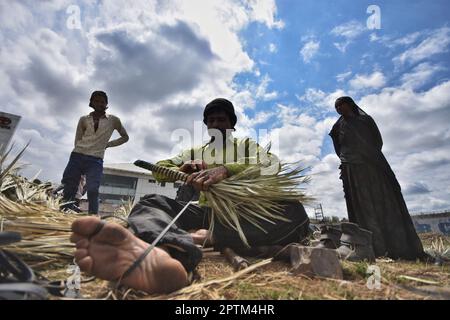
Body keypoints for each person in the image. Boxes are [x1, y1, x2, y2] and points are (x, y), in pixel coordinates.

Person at [70, 98, 310, 294]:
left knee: (295, 212)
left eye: (222, 120)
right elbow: (161, 167)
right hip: (203, 211)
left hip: (241, 213)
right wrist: (180, 170)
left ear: (232, 124)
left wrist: (225, 170)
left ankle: (205, 238)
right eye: (211, 120)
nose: (216, 124)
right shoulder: (195, 151)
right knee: (151, 202)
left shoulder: (246, 146)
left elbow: (270, 164)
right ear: (206, 125)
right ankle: (162, 250)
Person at [329, 96, 425, 260]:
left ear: (350, 104)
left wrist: (366, 153)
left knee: (384, 201)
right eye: (336, 107)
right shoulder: (338, 127)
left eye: (341, 105)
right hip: (352, 169)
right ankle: (372, 247)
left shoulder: (365, 120)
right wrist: (350, 159)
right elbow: (339, 148)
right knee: (362, 205)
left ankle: (397, 247)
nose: (339, 109)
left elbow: (377, 142)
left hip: (373, 165)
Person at [61, 91, 129, 215]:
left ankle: (92, 217)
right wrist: (78, 151)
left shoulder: (113, 120)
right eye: (96, 101)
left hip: (95, 159)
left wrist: (108, 144)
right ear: (91, 103)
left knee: (93, 189)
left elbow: (125, 137)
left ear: (106, 104)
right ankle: (64, 213)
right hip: (77, 155)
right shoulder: (83, 119)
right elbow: (78, 139)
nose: (99, 104)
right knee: (69, 185)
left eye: (102, 101)